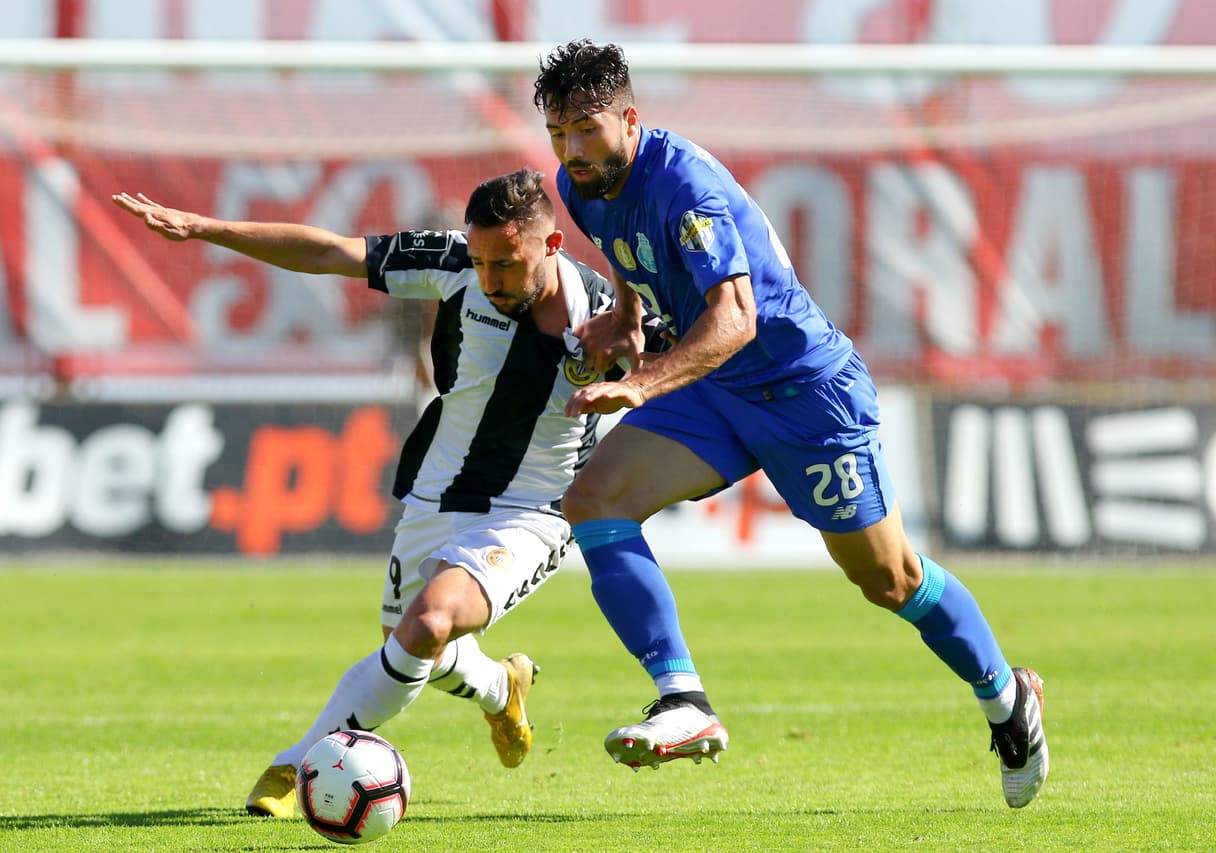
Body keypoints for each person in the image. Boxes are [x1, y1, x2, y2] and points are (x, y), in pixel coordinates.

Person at [532, 40, 1049, 808]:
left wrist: (641, 384)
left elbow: (736, 318)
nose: (572, 149)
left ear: (629, 120)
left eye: (587, 128)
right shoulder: (580, 187)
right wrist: (628, 317)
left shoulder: (686, 187)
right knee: (594, 501)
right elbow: (625, 251)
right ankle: (684, 700)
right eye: (558, 133)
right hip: (713, 391)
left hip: (801, 390)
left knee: (889, 578)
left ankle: (1008, 695)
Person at [113, 168, 653, 817]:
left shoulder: (607, 315)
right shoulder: (455, 263)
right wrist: (208, 229)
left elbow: (690, 362)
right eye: (481, 261)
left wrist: (643, 381)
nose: (489, 278)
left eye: (506, 263)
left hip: (533, 509)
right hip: (439, 487)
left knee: (427, 623)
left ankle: (293, 765)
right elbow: (327, 251)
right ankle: (502, 686)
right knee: (416, 642)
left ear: (553, 245)